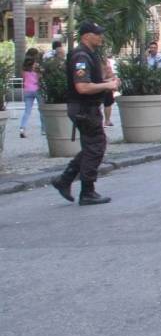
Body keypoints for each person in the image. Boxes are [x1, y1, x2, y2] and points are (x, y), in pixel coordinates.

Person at [50, 22, 119, 205]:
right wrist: (107, 85)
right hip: (84, 109)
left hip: (86, 108)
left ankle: (65, 180)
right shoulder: (81, 56)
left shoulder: (88, 54)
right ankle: (87, 191)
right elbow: (82, 87)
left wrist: (106, 80)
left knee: (92, 146)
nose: (101, 37)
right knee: (96, 147)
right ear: (86, 36)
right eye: (97, 34)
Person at [19, 53, 40, 138]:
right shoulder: (36, 72)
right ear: (33, 64)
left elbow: (24, 78)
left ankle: (22, 128)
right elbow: (40, 79)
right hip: (36, 90)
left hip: (27, 91)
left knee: (27, 111)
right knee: (41, 110)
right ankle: (44, 130)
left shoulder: (23, 72)